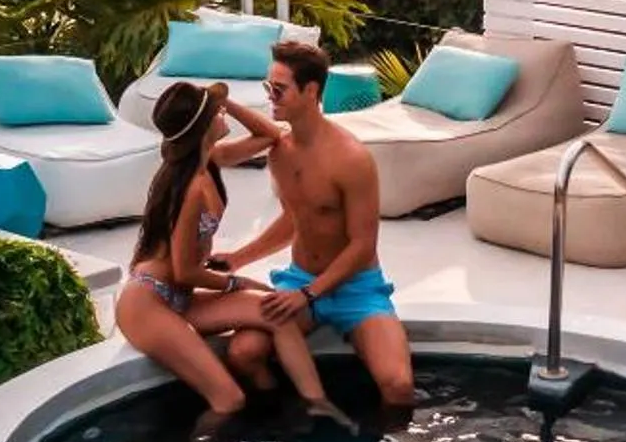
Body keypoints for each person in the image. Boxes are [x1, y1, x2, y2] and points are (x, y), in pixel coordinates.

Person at [116, 80, 340, 421]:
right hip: (148, 302)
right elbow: (183, 271)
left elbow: (271, 135)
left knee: (274, 312)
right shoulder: (190, 189)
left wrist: (225, 101)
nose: (223, 112)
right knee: (228, 399)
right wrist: (239, 283)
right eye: (215, 111)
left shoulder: (211, 160)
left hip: (180, 299)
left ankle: (317, 405)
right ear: (203, 127)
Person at [217, 39, 417, 409]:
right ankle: (289, 423)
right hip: (300, 279)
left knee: (398, 385)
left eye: (279, 90)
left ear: (311, 91)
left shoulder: (351, 159)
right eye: (268, 89)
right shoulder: (280, 151)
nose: (270, 98)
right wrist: (238, 259)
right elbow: (295, 218)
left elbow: (362, 246)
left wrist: (309, 295)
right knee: (244, 354)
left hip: (355, 288)